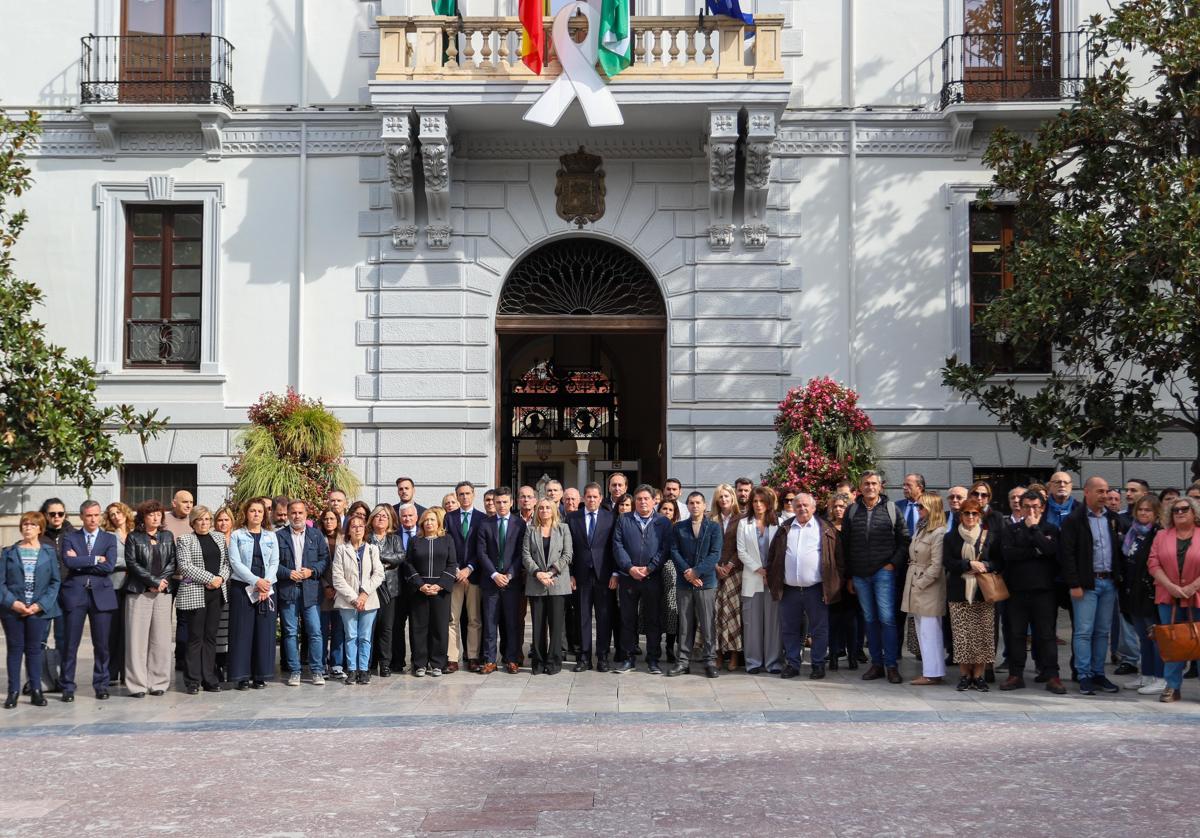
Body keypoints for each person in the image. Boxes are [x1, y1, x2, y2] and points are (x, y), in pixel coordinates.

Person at [1060, 476, 1125, 696]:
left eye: (1106, 491)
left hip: (1108, 583)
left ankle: (1098, 673)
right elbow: (1066, 555)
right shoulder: (1073, 520)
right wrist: (1074, 583)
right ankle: (1084, 674)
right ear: (1086, 492)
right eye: (1099, 491)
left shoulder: (1113, 519)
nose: (1104, 495)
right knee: (1084, 632)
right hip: (1086, 585)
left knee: (1102, 632)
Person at [767, 493, 843, 679]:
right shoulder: (785, 528)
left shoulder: (825, 528)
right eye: (798, 505)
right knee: (790, 628)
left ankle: (817, 664)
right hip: (790, 589)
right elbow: (773, 556)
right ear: (793, 507)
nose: (802, 508)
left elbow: (838, 559)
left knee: (819, 629)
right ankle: (793, 664)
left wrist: (833, 587)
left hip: (816, 589)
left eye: (806, 505)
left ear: (814, 507)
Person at [997, 491, 1066, 694]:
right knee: (1016, 634)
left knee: (1046, 635)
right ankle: (1016, 674)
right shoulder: (1011, 529)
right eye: (1027, 506)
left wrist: (1034, 530)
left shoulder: (1050, 528)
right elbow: (1009, 554)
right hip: (1016, 592)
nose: (1031, 510)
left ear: (1043, 507)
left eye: (1035, 506)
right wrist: (1035, 551)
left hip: (1044, 591)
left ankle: (1052, 674)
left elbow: (1051, 550)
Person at [844, 471, 910, 684]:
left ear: (881, 486)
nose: (870, 487)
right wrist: (849, 576)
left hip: (884, 572)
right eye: (866, 484)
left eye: (874, 483)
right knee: (870, 620)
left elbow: (904, 540)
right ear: (860, 487)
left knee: (887, 620)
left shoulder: (892, 509)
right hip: (860, 574)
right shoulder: (852, 511)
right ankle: (877, 664)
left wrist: (893, 564)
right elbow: (845, 546)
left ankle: (891, 665)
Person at [2, 512, 60, 708]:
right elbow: (0, 583)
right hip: (13, 610)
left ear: (40, 529)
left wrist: (39, 605)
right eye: (25, 524)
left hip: (38, 610)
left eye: (32, 525)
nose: (27, 527)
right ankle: (13, 692)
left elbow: (55, 582)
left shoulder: (48, 552)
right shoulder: (8, 552)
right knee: (15, 649)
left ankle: (36, 690)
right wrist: (13, 603)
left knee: (35, 650)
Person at [612, 485, 672, 674]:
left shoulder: (663, 522)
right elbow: (617, 545)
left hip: (652, 577)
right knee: (627, 619)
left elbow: (665, 548)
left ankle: (653, 659)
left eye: (646, 498)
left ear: (655, 500)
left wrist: (650, 567)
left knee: (653, 619)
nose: (643, 502)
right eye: (639, 499)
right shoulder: (623, 519)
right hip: (629, 577)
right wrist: (629, 567)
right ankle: (628, 658)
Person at [1146, 496, 1200, 702]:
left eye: (1184, 509)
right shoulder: (1161, 535)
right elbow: (1153, 564)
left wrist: (1192, 586)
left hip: (1198, 595)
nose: (1179, 512)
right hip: (1169, 596)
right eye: (1175, 510)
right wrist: (1171, 587)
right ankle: (1172, 687)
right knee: (1172, 641)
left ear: (1194, 512)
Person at [124, 500, 177, 698]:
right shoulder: (133, 537)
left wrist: (162, 582)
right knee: (137, 640)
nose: (156, 518)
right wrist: (152, 581)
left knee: (161, 640)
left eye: (159, 514)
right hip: (139, 593)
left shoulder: (167, 536)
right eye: (151, 514)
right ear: (143, 517)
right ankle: (137, 684)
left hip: (163, 593)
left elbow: (172, 560)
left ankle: (158, 682)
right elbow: (132, 563)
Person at [174, 505, 230, 694]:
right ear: (193, 522)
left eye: (207, 519)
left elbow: (226, 564)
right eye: (200, 519)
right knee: (195, 638)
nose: (204, 523)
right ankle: (192, 681)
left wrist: (220, 579)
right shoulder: (185, 540)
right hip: (195, 593)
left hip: (216, 593)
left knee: (210, 637)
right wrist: (210, 579)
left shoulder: (219, 538)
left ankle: (209, 678)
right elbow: (185, 567)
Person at [944, 499, 997, 692]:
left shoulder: (988, 536)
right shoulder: (950, 537)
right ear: (961, 516)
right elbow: (948, 562)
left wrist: (985, 566)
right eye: (967, 513)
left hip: (983, 592)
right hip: (959, 591)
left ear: (980, 516)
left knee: (982, 636)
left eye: (975, 514)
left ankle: (979, 676)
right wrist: (968, 565)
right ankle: (965, 675)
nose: (971, 517)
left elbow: (998, 561)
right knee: (962, 636)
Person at [277, 499, 331, 686]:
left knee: (315, 632)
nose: (297, 516)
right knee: (290, 633)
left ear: (306, 515)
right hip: (288, 590)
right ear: (288, 515)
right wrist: (287, 572)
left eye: (300, 513)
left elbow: (325, 560)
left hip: (311, 591)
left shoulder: (316, 535)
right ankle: (295, 671)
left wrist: (312, 571)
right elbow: (272, 563)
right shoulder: (279, 536)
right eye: (293, 513)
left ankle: (317, 670)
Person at [668, 491, 722, 679]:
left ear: (704, 505)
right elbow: (674, 552)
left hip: (706, 582)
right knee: (685, 624)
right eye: (691, 503)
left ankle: (710, 661)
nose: (694, 506)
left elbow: (715, 554)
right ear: (688, 505)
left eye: (698, 502)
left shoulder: (714, 527)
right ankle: (682, 662)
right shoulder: (679, 527)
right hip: (684, 582)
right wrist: (688, 573)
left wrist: (697, 572)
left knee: (707, 623)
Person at [474, 487, 527, 673]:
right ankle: (489, 660)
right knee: (490, 622)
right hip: (490, 582)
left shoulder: (519, 524)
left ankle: (511, 659)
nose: (501, 505)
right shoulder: (485, 524)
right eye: (498, 502)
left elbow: (521, 552)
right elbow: (481, 553)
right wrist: (495, 575)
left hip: (512, 582)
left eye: (505, 502)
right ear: (493, 503)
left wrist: (510, 574)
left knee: (512, 622)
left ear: (511, 502)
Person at [228, 498, 279, 690]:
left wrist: (265, 584)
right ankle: (242, 676)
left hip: (267, 588)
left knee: (264, 632)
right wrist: (255, 581)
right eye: (252, 511)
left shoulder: (270, 536)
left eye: (259, 511)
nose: (256, 514)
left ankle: (260, 674)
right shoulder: (237, 535)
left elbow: (275, 562)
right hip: (243, 587)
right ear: (246, 513)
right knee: (242, 632)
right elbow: (235, 562)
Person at [567, 482, 618, 673]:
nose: (591, 500)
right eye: (588, 496)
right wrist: (570, 574)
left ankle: (603, 656)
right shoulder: (573, 518)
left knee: (604, 616)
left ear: (601, 498)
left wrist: (615, 573)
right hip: (581, 575)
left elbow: (615, 547)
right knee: (582, 617)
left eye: (595, 497)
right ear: (583, 498)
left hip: (604, 575)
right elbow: (568, 548)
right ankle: (584, 657)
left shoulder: (610, 518)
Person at [1119, 494, 1165, 695]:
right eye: (1140, 509)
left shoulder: (1159, 533)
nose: (1143, 513)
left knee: (1155, 636)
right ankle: (1146, 674)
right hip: (1132, 590)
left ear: (1156, 513)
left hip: (1150, 592)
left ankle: (1160, 677)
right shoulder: (1134, 532)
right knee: (1142, 636)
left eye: (1148, 510)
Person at [332, 514, 385, 685]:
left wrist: (364, 594)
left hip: (368, 600)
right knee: (351, 636)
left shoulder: (372, 549)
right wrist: (354, 598)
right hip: (347, 601)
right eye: (353, 526)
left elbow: (379, 574)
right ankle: (352, 670)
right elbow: (337, 577)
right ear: (348, 530)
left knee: (365, 637)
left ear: (365, 529)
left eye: (360, 526)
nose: (357, 529)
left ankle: (364, 669)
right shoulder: (341, 549)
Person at [403, 508, 457, 677]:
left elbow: (451, 564)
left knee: (439, 628)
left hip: (440, 592)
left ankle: (437, 664)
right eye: (426, 520)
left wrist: (440, 585)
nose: (429, 523)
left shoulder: (447, 540)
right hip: (420, 591)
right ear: (421, 523)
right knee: (418, 628)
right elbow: (408, 564)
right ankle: (419, 663)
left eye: (432, 520)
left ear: (438, 522)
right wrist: (420, 585)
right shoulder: (415, 541)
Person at [523, 498, 573, 675]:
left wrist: (551, 572)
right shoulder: (530, 530)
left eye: (547, 508)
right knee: (538, 625)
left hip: (557, 582)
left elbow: (568, 555)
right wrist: (538, 573)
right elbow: (526, 555)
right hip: (536, 582)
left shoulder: (563, 529)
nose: (544, 510)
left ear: (553, 510)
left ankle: (554, 662)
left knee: (556, 625)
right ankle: (538, 662)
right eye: (541, 508)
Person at [901, 493, 947, 685]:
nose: (918, 509)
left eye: (921, 506)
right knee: (922, 629)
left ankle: (932, 672)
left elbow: (936, 566)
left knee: (930, 630)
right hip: (917, 583)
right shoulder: (922, 529)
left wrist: (920, 584)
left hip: (927, 586)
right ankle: (930, 670)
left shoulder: (938, 532)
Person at [738, 486, 781, 675]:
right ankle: (753, 662)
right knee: (752, 624)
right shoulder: (743, 524)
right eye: (754, 501)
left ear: (768, 503)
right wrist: (759, 570)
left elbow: (781, 552)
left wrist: (770, 572)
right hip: (753, 579)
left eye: (761, 501)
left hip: (773, 580)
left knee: (773, 624)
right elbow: (741, 551)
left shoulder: (779, 522)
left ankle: (773, 663)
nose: (758, 505)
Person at [445, 482, 485, 674]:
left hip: (474, 575)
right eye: (461, 494)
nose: (464, 497)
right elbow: (447, 546)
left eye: (468, 493)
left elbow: (483, 549)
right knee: (452, 619)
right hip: (454, 576)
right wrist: (456, 570)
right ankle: (452, 658)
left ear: (474, 494)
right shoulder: (449, 518)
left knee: (474, 619)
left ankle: (473, 657)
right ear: (457, 496)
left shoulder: (483, 519)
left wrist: (469, 569)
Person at [825, 490, 863, 671]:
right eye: (835, 507)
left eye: (842, 506)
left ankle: (853, 656)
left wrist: (851, 577)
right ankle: (833, 655)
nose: (839, 510)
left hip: (850, 579)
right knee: (833, 619)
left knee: (851, 619)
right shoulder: (825, 528)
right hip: (832, 580)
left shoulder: (853, 527)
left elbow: (855, 555)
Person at [366, 504, 404, 678]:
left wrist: (378, 557)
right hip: (369, 589)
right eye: (378, 516)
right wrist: (385, 562)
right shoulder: (366, 538)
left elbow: (400, 557)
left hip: (389, 588)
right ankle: (369, 662)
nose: (381, 519)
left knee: (387, 628)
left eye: (385, 516)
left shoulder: (394, 539)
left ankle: (385, 663)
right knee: (369, 627)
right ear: (372, 519)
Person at [711, 483, 744, 671]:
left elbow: (743, 546)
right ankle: (718, 654)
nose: (724, 499)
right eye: (720, 496)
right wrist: (715, 565)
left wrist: (730, 565)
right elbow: (707, 546)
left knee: (733, 614)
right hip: (715, 571)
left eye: (726, 496)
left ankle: (734, 655)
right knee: (716, 614)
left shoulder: (742, 518)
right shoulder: (711, 519)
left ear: (733, 497)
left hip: (734, 572)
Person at [102, 501, 135, 686]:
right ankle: (112, 671)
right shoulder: (108, 536)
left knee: (130, 630)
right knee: (114, 630)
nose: (115, 516)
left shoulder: (135, 532)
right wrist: (130, 562)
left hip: (133, 587)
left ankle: (127, 671)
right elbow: (109, 560)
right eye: (112, 514)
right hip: (114, 586)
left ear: (125, 512)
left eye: (118, 512)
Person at [316, 509, 346, 681]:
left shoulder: (345, 538)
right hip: (322, 590)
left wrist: (339, 587)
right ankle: (321, 664)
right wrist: (325, 586)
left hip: (341, 591)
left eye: (332, 518)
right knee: (321, 630)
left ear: (337, 520)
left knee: (338, 629)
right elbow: (313, 563)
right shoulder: (317, 538)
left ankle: (336, 664)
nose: (329, 521)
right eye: (326, 519)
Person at [654, 499, 681, 664]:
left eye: (671, 510)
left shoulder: (678, 528)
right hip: (654, 570)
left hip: (672, 572)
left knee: (671, 611)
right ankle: (655, 647)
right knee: (655, 611)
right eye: (664, 508)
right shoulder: (652, 526)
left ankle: (670, 648)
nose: (667, 512)